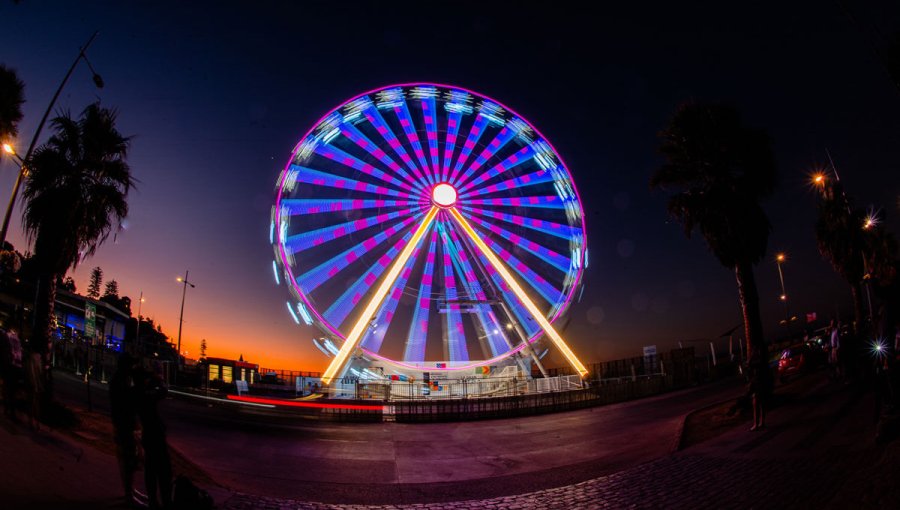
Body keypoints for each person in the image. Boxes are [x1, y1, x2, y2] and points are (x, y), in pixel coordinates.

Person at [110, 353, 145, 508]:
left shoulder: (120, 380)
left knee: (128, 460)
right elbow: (128, 404)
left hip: (123, 425)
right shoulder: (121, 383)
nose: (133, 369)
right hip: (125, 426)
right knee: (128, 461)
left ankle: (130, 491)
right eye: (132, 366)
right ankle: (129, 495)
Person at [135, 363, 172, 509]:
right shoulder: (146, 394)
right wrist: (158, 379)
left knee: (151, 469)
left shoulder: (139, 392)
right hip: (154, 435)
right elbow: (163, 391)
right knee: (164, 471)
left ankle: (153, 501)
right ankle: (165, 501)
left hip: (148, 435)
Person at [0, 326, 24, 420]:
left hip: (9, 366)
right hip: (15, 367)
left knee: (7, 389)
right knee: (12, 391)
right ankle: (11, 411)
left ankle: (8, 409)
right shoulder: (16, 339)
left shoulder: (7, 336)